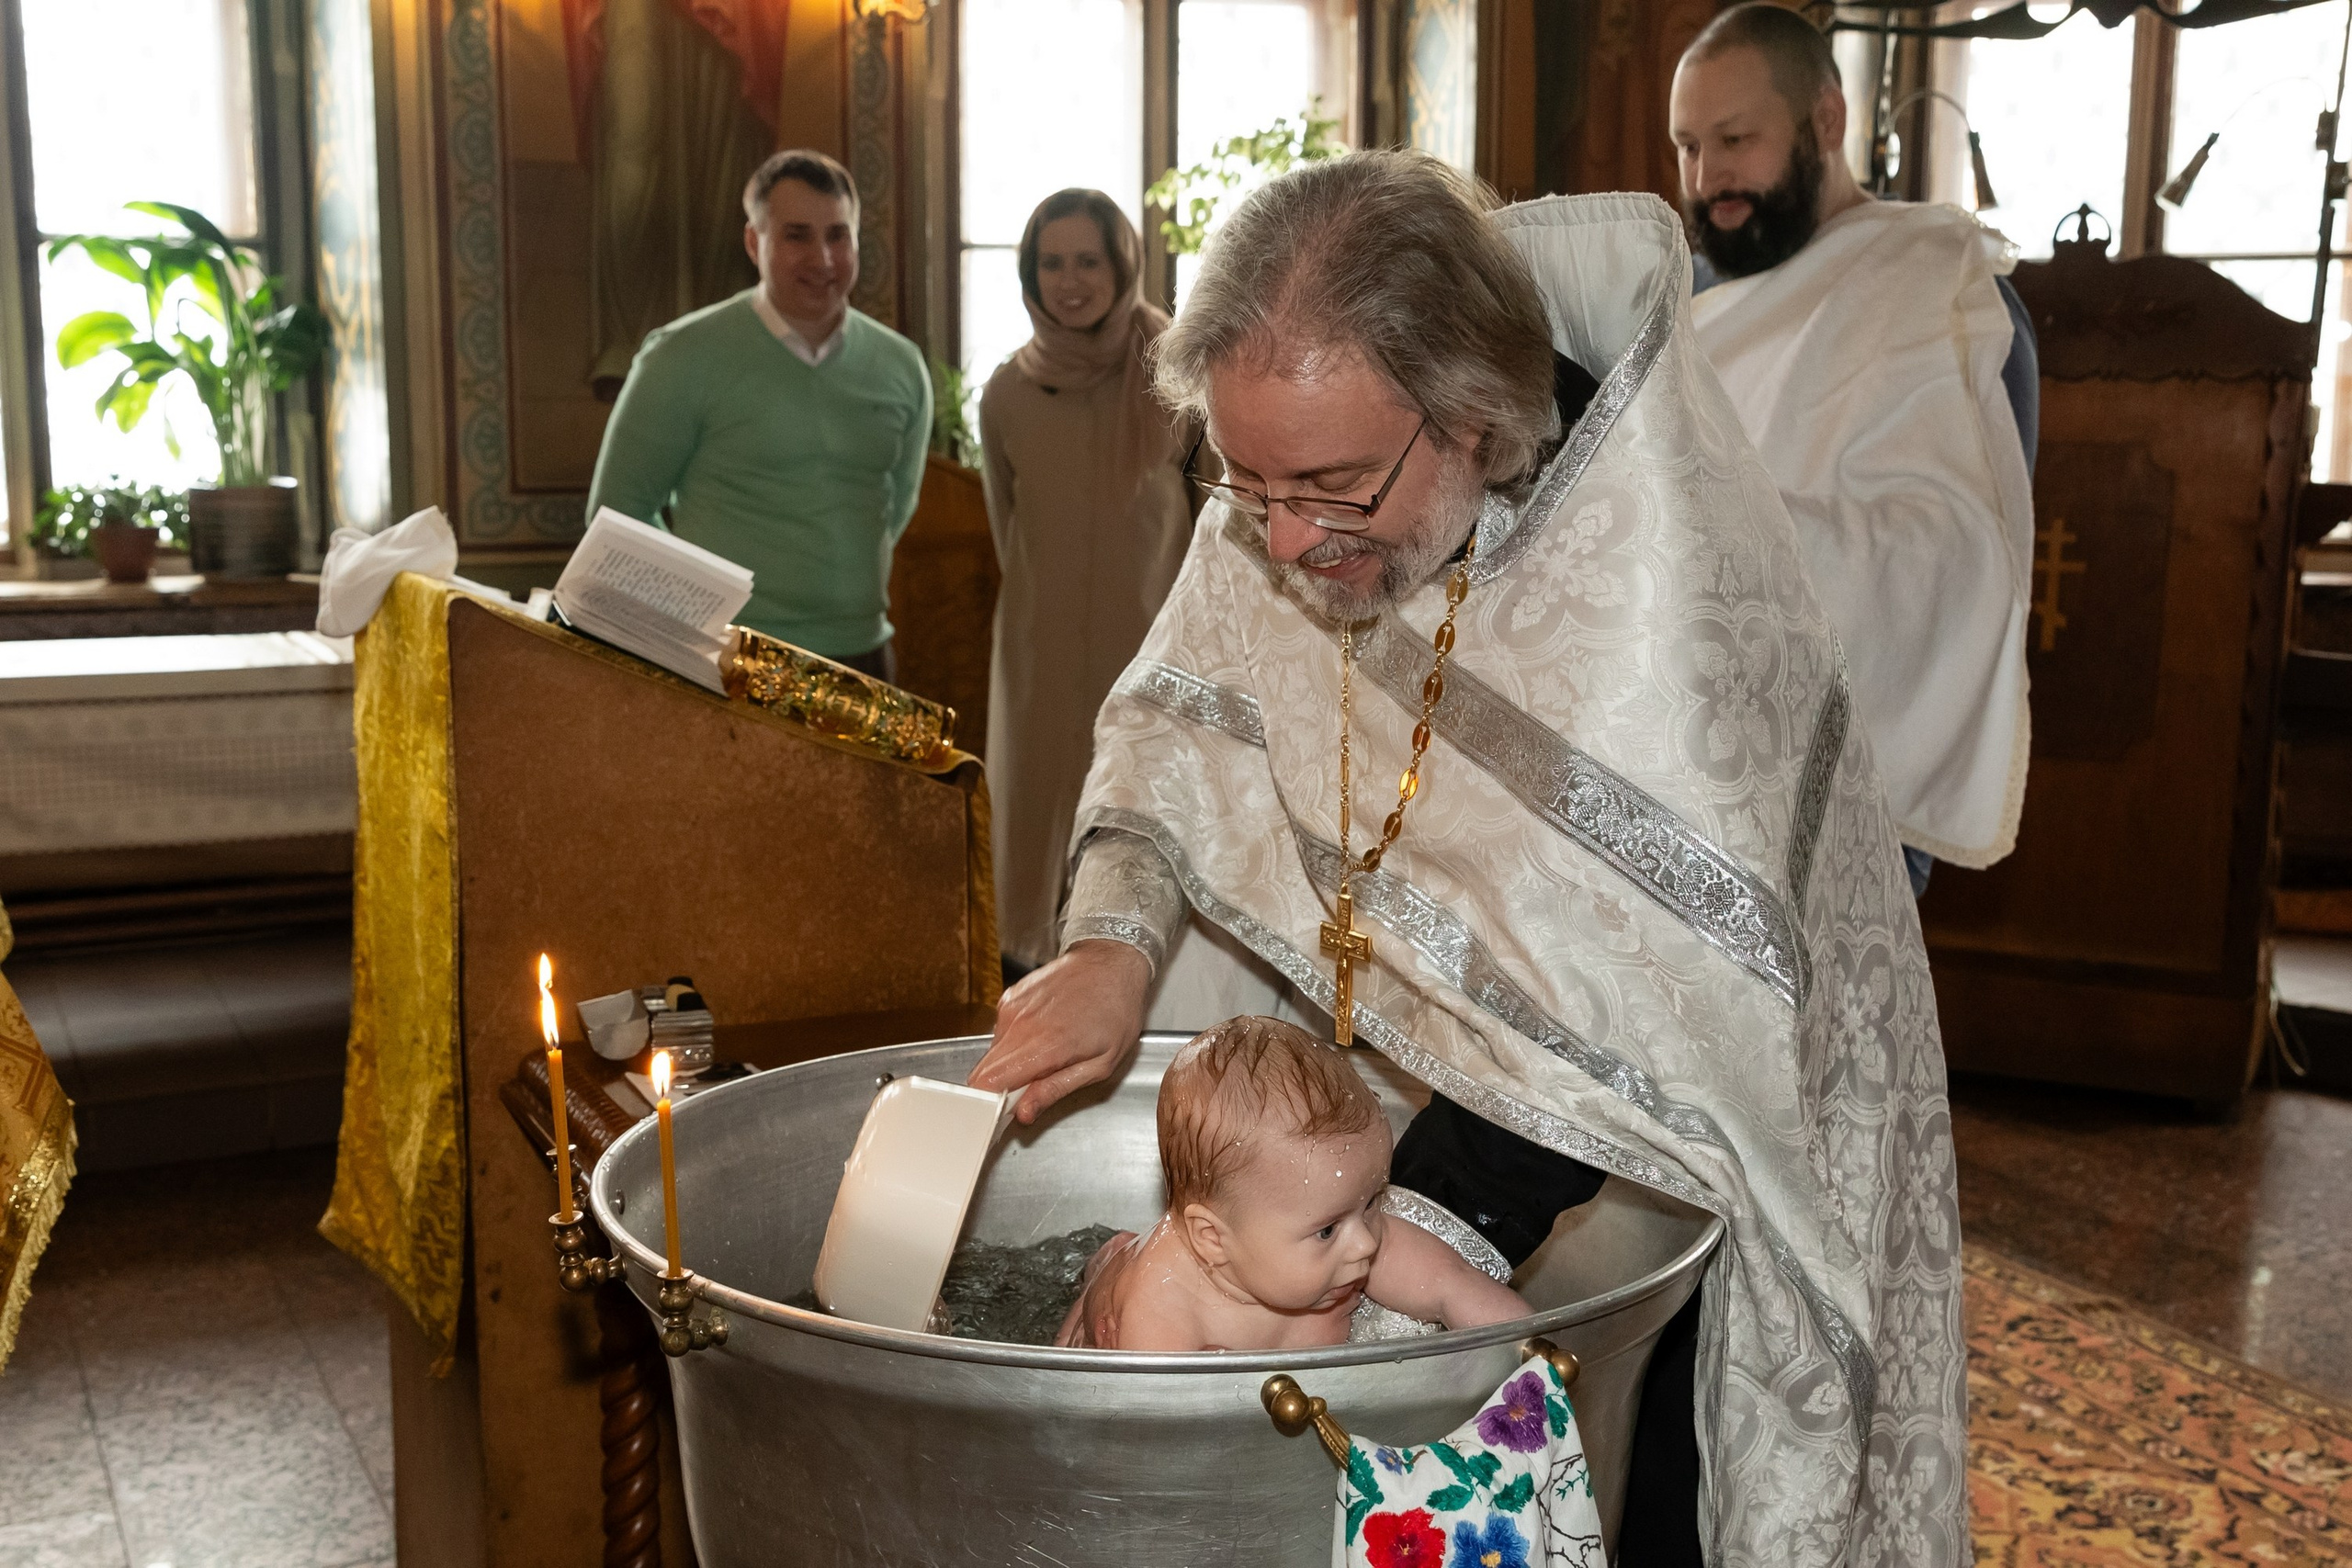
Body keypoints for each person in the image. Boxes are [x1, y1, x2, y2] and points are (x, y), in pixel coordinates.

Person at [969, 152, 1969, 1566]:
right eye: (1243, 481)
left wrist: (1398, 1244)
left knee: (1658, 1497)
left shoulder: (1662, 604)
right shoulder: (1301, 463)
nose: (1285, 540)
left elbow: (1642, 1009)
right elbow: (1173, 721)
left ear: (1479, 418)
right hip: (1395, 1104)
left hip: (1679, 1150)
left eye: (1327, 488)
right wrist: (1109, 944)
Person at [1670, 4, 2038, 896]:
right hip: (1677, 753)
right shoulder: (1688, 299)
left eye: (1735, 138)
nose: (1707, 172)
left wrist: (1718, 527)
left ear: (1824, 122)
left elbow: (1956, 560)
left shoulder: (1935, 294)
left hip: (1845, 792)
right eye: (1686, 145)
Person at [584, 149, 932, 679]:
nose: (824, 259)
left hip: (865, 655)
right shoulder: (682, 355)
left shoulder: (901, 366)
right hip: (732, 657)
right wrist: (698, 623)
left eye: (839, 235)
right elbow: (618, 511)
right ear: (754, 241)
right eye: (797, 235)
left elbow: (893, 510)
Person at [979, 190, 1193, 976]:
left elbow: (1216, 524)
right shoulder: (1007, 393)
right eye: (1052, 262)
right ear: (1031, 275)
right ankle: (1034, 971)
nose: (1070, 280)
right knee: (1038, 830)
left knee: (1139, 819)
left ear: (1122, 265)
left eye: (1088, 260)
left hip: (1151, 653)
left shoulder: (1178, 377)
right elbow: (1008, 528)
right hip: (1037, 658)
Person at [1055, 1015, 1527, 1350]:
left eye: (1372, 1203)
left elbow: (1455, 1288)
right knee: (1083, 1332)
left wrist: (1535, 1361)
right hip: (1118, 1303)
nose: (1365, 1242)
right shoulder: (1163, 1312)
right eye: (1327, 1229)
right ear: (1213, 1240)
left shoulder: (1349, 1245)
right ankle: (1106, 1267)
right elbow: (1155, 1447)